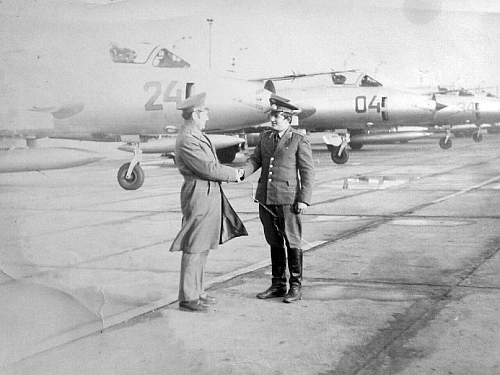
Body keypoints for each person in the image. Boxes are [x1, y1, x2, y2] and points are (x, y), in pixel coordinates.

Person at [169, 93, 246, 313]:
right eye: (205, 114)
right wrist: (236, 174)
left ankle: (198, 291)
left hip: (208, 191)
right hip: (199, 191)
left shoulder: (195, 134)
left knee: (203, 245)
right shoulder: (188, 139)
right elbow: (207, 168)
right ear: (194, 114)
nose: (207, 118)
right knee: (195, 245)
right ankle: (188, 297)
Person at [241, 96, 315, 303]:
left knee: (292, 241)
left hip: (288, 199)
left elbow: (307, 172)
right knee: (274, 241)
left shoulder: (299, 140)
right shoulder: (266, 137)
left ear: (288, 119)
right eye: (272, 116)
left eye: (277, 116)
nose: (273, 120)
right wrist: (242, 173)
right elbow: (255, 160)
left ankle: (295, 287)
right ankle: (278, 285)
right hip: (266, 198)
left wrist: (304, 199)